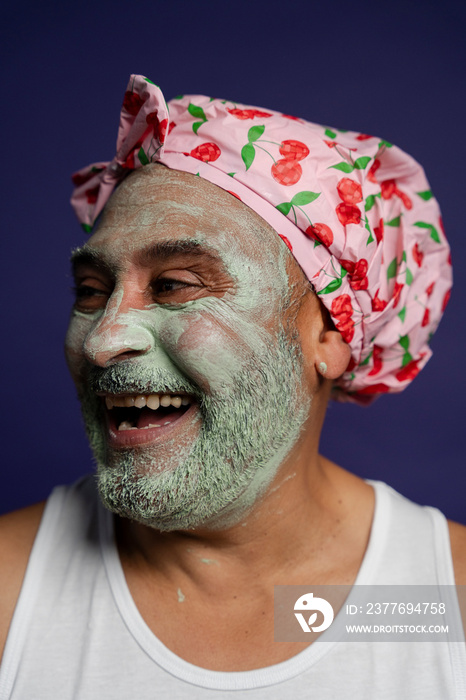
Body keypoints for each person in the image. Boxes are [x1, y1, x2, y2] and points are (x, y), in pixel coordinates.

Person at [0, 74, 464, 698]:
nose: (102, 340)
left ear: (328, 334)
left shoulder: (443, 602)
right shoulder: (9, 594)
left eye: (175, 285)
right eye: (91, 291)